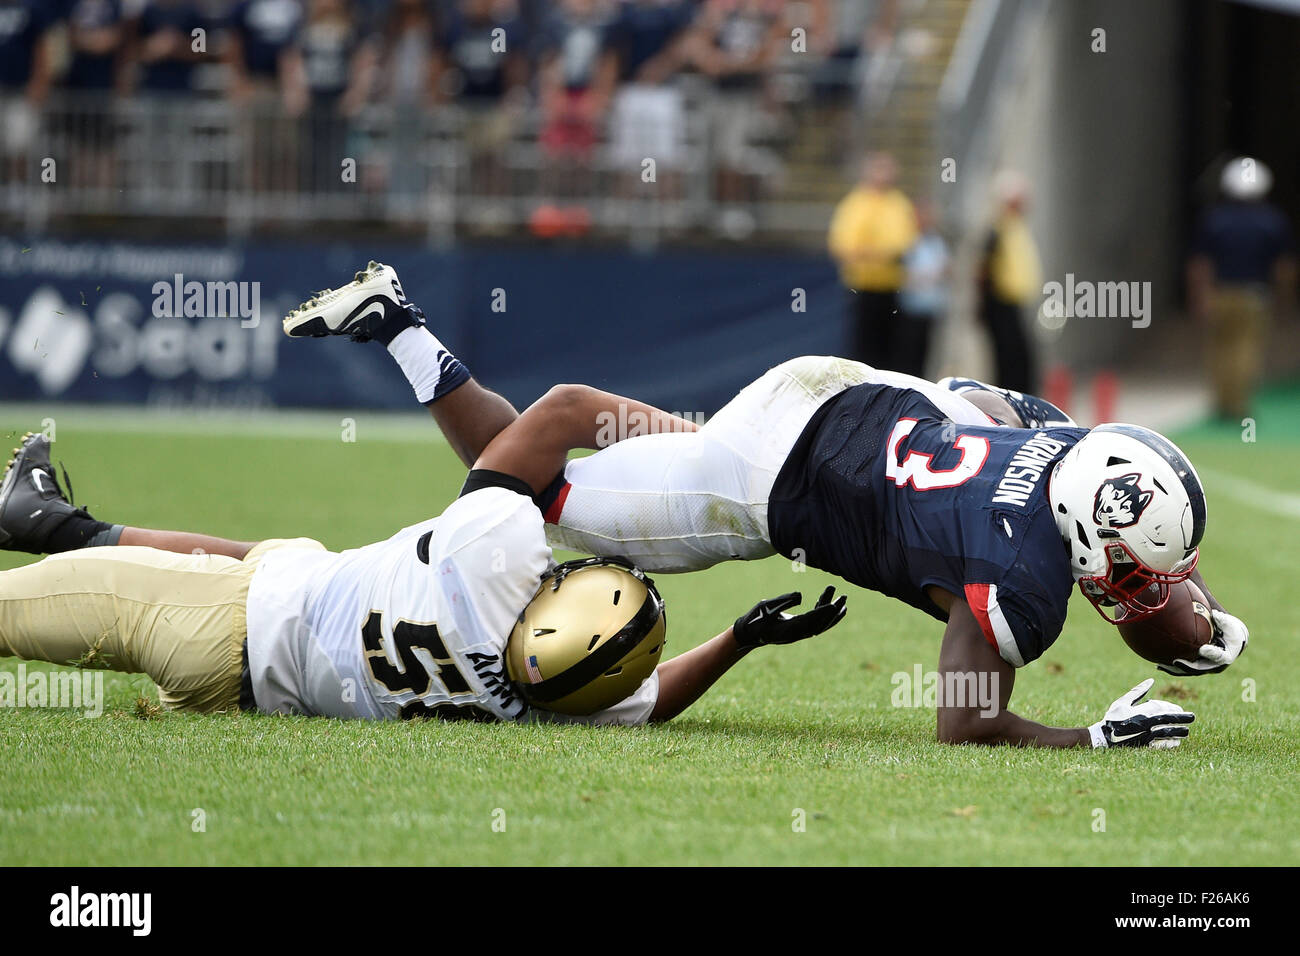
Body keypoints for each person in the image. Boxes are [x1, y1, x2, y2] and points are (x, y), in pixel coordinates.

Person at [279, 260, 1253, 751]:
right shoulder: (1022, 581)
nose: (1147, 578)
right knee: (547, 476)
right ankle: (406, 351)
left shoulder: (1070, 445)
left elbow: (1002, 414)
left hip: (837, 389)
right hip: (767, 475)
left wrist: (1195, 597)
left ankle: (396, 320)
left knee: (573, 411)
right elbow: (963, 722)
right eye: (1138, 559)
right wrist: (1087, 737)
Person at [0, 428, 846, 724]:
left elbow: (555, 413)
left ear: (559, 592)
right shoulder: (564, 700)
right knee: (282, 554)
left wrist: (705, 462)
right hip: (256, 657)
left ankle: (55, 531)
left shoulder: (494, 555)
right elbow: (650, 699)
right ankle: (58, 526)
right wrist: (741, 638)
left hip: (220, 622)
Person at [1186, 156, 1297, 420]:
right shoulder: (1273, 221)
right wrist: (1286, 299)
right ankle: (1237, 404)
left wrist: (1200, 296)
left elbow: (1200, 264)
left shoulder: (1215, 219)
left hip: (1220, 294)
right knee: (1246, 349)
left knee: (1218, 348)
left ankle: (1222, 402)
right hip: (1253, 296)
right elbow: (1284, 267)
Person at [827, 152, 918, 369]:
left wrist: (872, 253)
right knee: (863, 351)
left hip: (892, 289)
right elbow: (843, 245)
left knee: (892, 352)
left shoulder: (898, 204)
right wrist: (880, 254)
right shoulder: (855, 204)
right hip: (862, 288)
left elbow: (904, 243)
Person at [977, 170, 1041, 395]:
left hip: (1013, 302)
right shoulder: (998, 230)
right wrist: (983, 306)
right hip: (999, 304)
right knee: (1008, 357)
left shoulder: (1014, 227)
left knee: (1021, 357)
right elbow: (983, 270)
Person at [896, 199, 949, 378]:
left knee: (924, 356)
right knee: (907, 356)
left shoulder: (936, 241)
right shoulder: (907, 240)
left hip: (929, 308)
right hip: (910, 307)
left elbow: (946, 269)